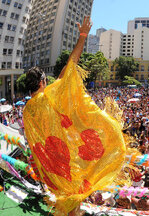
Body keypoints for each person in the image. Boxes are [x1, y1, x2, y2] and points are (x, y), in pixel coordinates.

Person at [23, 17, 127, 216]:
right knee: (74, 204)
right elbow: (69, 69)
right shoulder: (47, 98)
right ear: (43, 82)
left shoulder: (27, 109)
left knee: (71, 204)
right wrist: (82, 36)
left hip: (51, 170)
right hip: (67, 166)